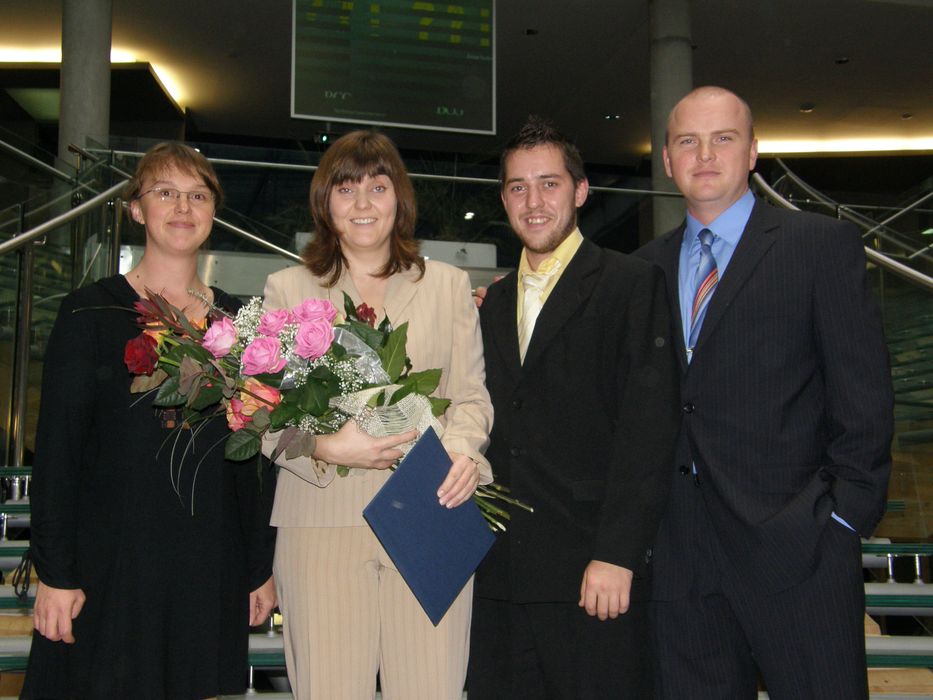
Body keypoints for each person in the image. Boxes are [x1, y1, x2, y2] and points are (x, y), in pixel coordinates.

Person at [635, 86, 894, 698]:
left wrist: (840, 520)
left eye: (723, 138)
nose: (704, 154)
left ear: (752, 151)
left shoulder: (819, 246)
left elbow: (864, 398)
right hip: (681, 563)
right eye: (687, 141)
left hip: (799, 552)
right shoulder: (641, 271)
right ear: (667, 160)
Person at [22, 142, 277, 700]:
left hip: (206, 559)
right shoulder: (89, 313)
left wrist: (259, 566)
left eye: (197, 195)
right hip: (112, 557)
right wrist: (55, 572)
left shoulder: (240, 323)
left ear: (213, 212)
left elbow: (255, 462)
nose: (183, 207)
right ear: (137, 209)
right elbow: (58, 454)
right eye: (165, 193)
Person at [262, 130, 493, 700]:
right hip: (321, 525)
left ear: (400, 198)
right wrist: (325, 446)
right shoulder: (288, 289)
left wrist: (462, 451)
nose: (363, 203)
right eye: (346, 189)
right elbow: (260, 414)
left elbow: (471, 397)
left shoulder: (448, 286)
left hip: (430, 513)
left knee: (431, 688)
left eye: (378, 187)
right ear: (325, 202)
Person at [467, 117, 680, 699]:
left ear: (581, 191)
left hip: (589, 573)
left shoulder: (632, 284)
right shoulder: (489, 304)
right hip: (497, 577)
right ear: (504, 199)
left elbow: (649, 429)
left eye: (550, 184)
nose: (533, 202)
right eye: (518, 187)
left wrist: (617, 555)